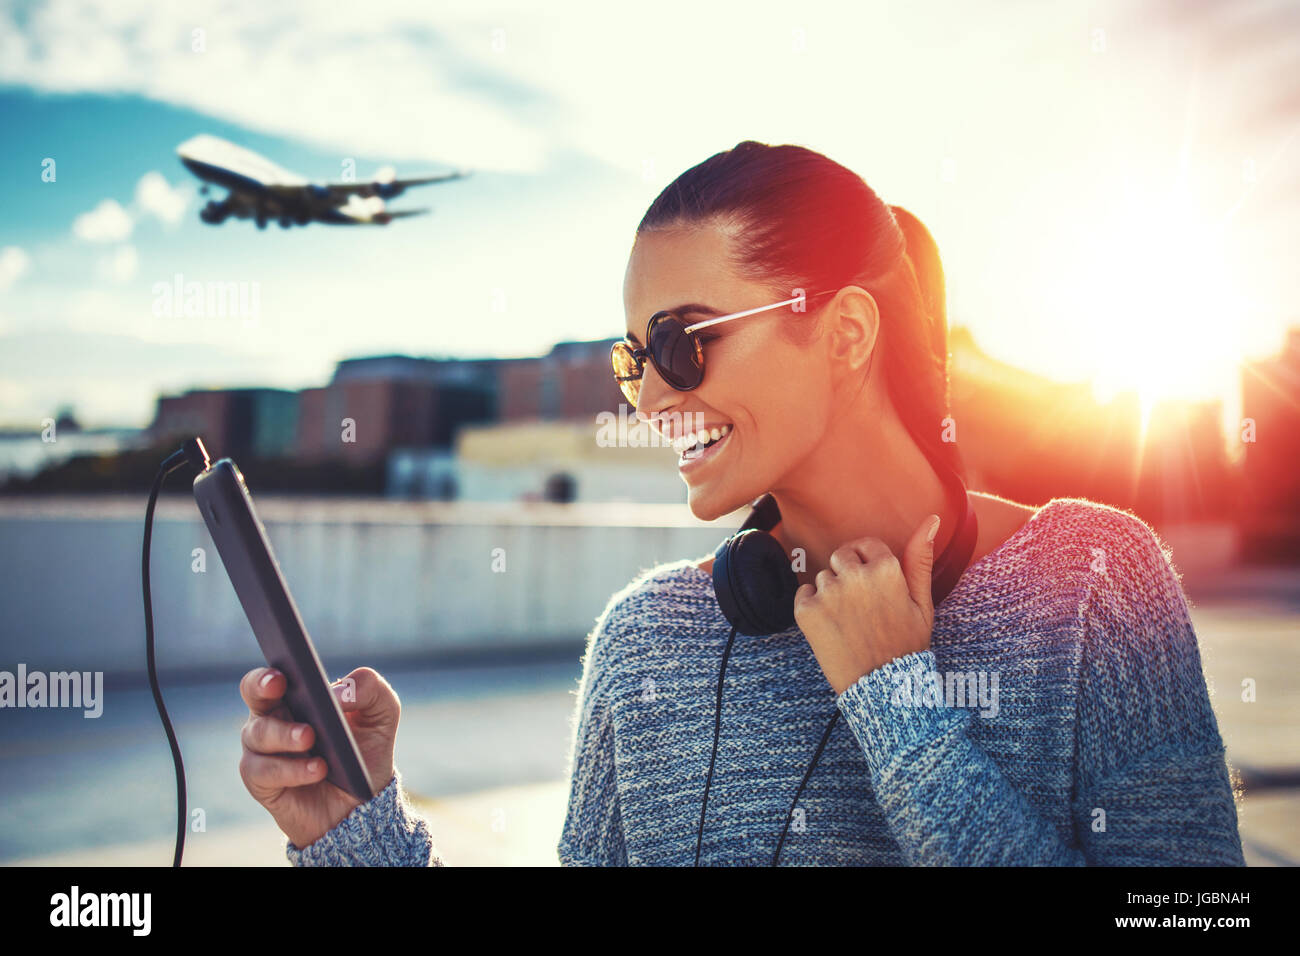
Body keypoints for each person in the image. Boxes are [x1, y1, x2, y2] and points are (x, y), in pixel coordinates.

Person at [238, 140, 1245, 866]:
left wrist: (900, 706)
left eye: (681, 340)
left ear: (845, 333)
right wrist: (352, 835)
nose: (651, 393)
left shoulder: (1093, 582)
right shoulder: (645, 644)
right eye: (635, 359)